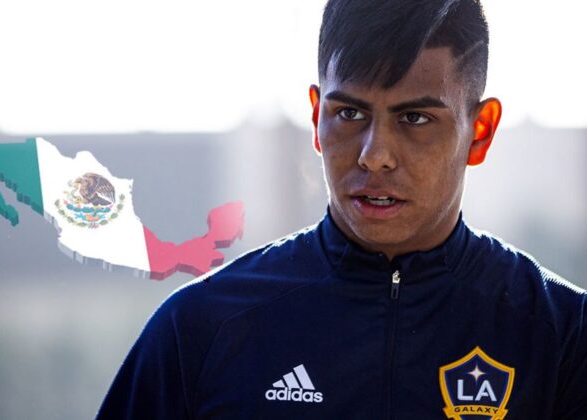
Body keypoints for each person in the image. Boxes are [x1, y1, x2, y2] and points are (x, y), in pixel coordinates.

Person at [96, 0, 587, 418]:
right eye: (349, 113)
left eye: (415, 118)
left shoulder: (563, 336)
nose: (375, 155)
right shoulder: (199, 329)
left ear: (479, 132)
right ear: (316, 118)